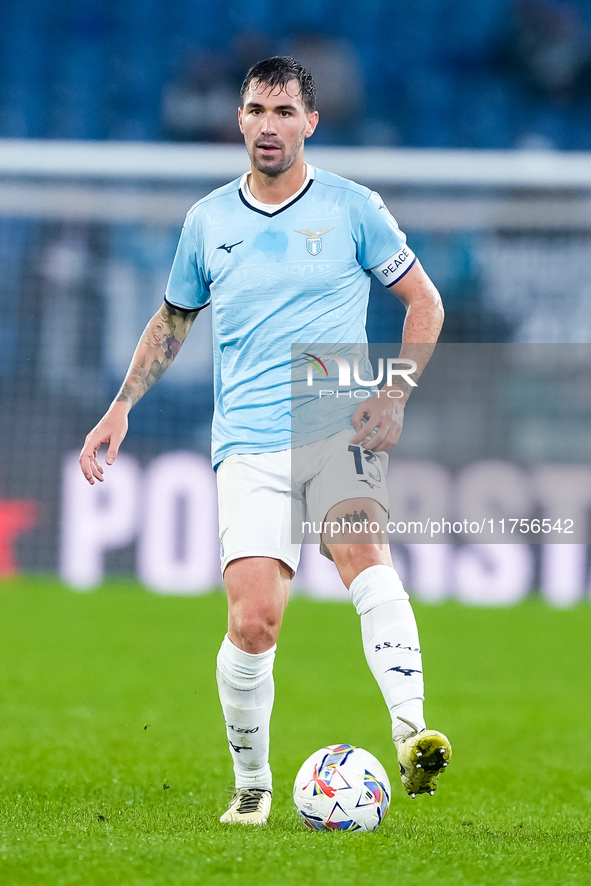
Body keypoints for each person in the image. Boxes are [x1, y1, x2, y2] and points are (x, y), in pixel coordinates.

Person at [79, 56, 451, 826]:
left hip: (333, 420)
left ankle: (412, 731)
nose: (268, 125)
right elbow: (174, 318)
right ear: (238, 120)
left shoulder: (352, 208)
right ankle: (252, 781)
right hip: (247, 439)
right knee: (254, 621)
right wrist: (120, 407)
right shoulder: (208, 221)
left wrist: (393, 392)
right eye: (255, 111)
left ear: (310, 122)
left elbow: (422, 301)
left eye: (283, 112)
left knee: (364, 556)